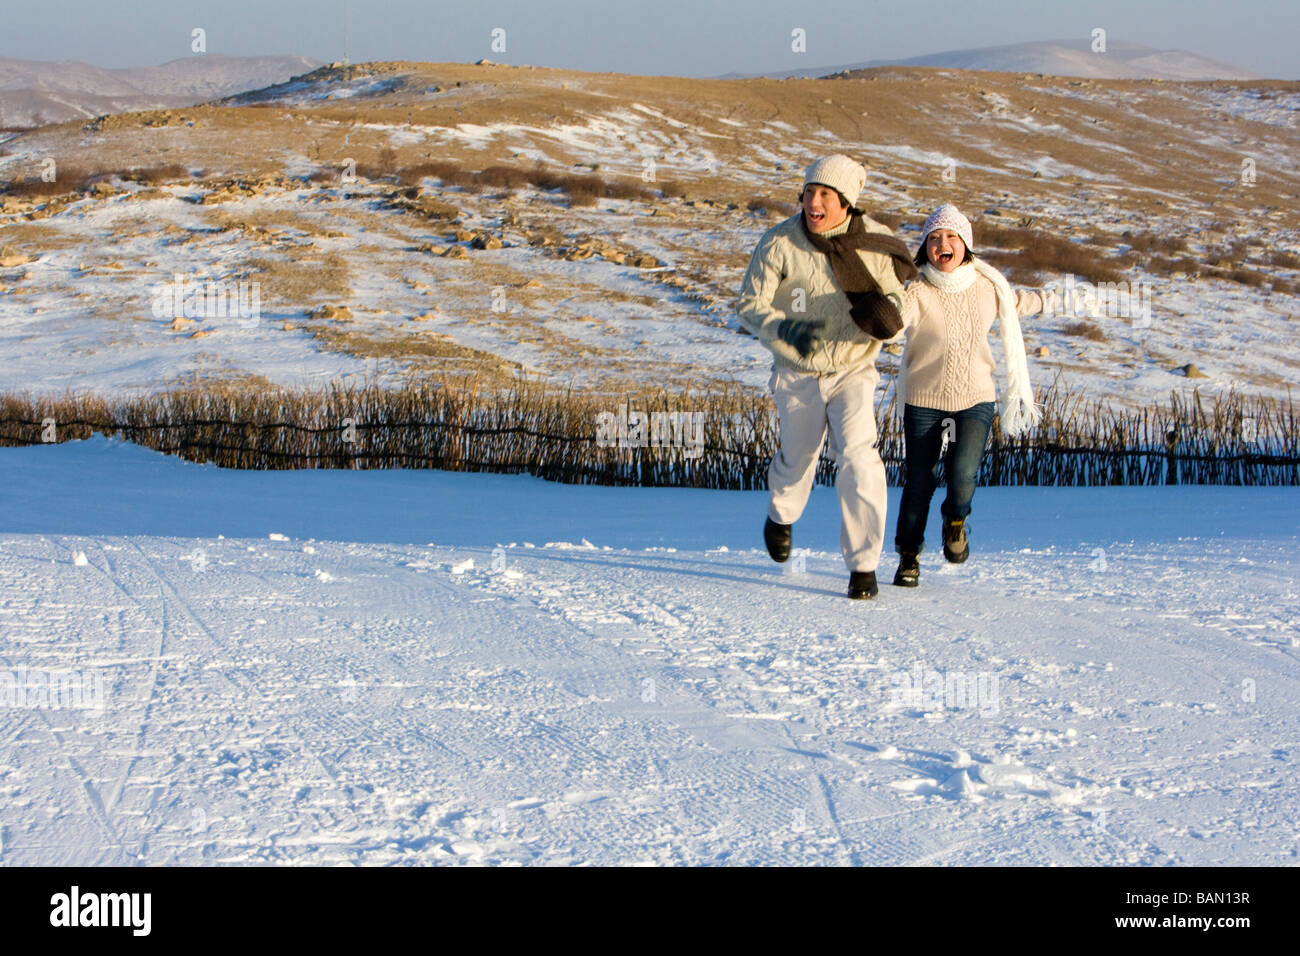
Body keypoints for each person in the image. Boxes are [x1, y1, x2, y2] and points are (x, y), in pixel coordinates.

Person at [737, 155, 916, 600]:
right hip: (797, 371)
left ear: (847, 204)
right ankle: (781, 515)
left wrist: (890, 313)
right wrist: (783, 326)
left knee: (859, 456)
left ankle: (863, 566)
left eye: (825, 195)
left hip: (853, 369)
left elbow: (900, 291)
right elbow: (748, 305)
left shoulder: (875, 243)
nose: (813, 203)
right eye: (809, 192)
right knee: (797, 460)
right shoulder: (780, 243)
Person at [891, 204, 1050, 587]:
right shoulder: (917, 292)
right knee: (920, 482)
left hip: (975, 398)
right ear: (925, 247)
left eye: (950, 237)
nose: (941, 244)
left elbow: (1019, 303)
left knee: (962, 475)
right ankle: (909, 557)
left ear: (965, 244)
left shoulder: (988, 286)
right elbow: (893, 323)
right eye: (933, 238)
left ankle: (955, 520)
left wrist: (1055, 298)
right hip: (925, 399)